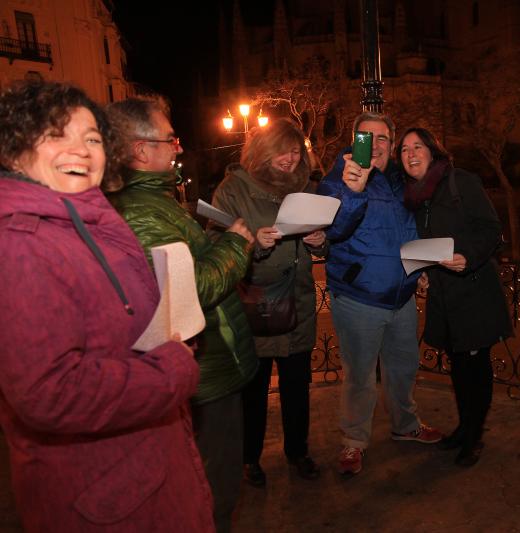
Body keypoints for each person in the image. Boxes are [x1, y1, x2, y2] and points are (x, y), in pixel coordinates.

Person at [0, 81, 214, 531]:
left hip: (144, 466)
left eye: (93, 138)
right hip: (101, 492)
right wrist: (172, 369)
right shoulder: (17, 242)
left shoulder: (87, 218)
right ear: (15, 149)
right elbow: (49, 391)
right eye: (57, 134)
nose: (80, 150)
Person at [107, 97, 257, 533]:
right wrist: (235, 245)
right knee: (213, 489)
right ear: (139, 150)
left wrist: (215, 241)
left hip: (210, 367)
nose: (178, 147)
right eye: (170, 139)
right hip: (204, 375)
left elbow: (185, 261)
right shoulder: (139, 210)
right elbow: (184, 289)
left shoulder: (158, 201)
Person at [317, 112, 442, 476]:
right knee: (359, 377)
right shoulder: (340, 176)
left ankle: (406, 426)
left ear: (391, 144)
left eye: (383, 138)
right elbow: (334, 229)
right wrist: (352, 190)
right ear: (355, 141)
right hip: (359, 297)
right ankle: (354, 441)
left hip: (401, 297)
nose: (375, 146)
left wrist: (419, 269)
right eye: (366, 137)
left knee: (403, 369)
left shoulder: (401, 182)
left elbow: (409, 231)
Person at [211, 118, 327, 486]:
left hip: (298, 302)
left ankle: (298, 451)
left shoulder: (307, 189)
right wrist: (249, 244)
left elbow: (323, 244)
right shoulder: (233, 189)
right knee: (254, 389)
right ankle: (250, 458)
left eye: (296, 151)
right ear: (263, 149)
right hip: (254, 304)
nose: (291, 158)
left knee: (296, 386)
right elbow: (214, 246)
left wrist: (320, 242)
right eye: (283, 149)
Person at [396, 127, 512, 467]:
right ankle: (465, 427)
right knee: (459, 366)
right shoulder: (414, 197)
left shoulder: (461, 181)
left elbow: (491, 229)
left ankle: (474, 435)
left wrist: (468, 255)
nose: (411, 154)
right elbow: (423, 245)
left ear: (433, 151)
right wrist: (424, 274)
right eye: (404, 150)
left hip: (474, 289)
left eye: (418, 146)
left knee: (475, 366)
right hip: (444, 295)